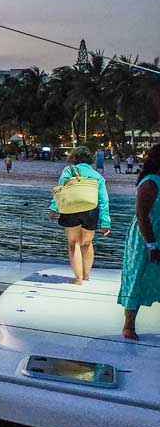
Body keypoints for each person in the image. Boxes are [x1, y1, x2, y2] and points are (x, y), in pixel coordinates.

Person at [48, 146, 110, 285]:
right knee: (87, 243)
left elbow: (60, 191)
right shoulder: (97, 176)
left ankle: (78, 279)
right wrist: (106, 222)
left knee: (73, 243)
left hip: (71, 209)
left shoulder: (69, 170)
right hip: (91, 210)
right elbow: (104, 200)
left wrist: (53, 208)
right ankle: (86, 276)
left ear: (74, 158)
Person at [118, 145, 160, 340]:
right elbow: (142, 215)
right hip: (146, 237)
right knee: (138, 276)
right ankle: (129, 326)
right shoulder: (150, 183)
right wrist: (151, 244)